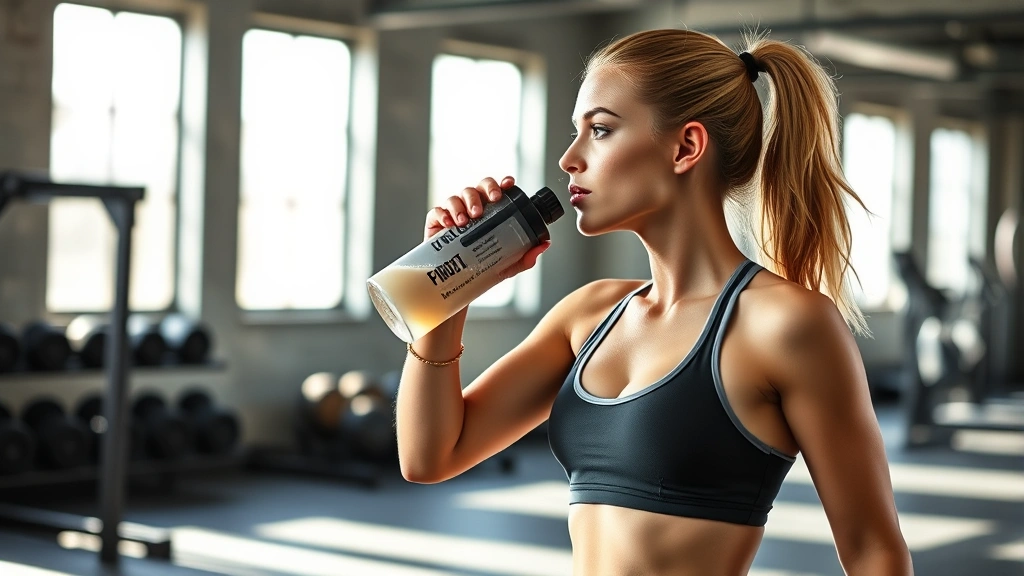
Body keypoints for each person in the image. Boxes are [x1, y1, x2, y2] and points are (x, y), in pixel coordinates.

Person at [395, 27, 913, 576]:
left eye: (599, 130)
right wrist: (445, 291)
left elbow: (874, 551)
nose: (570, 158)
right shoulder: (589, 314)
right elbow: (430, 456)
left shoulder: (785, 324)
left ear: (685, 146)